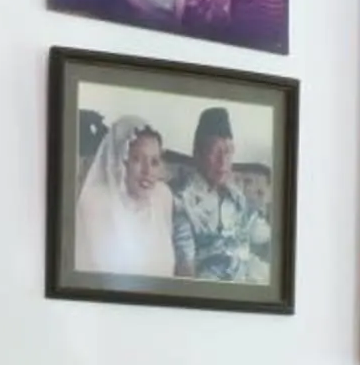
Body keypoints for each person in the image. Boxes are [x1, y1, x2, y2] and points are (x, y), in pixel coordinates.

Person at [172, 106, 271, 283]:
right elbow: (185, 267)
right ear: (198, 154)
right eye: (215, 151)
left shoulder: (237, 195)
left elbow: (259, 233)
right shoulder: (183, 201)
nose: (223, 160)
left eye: (228, 151)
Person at [74, 115, 180, 278]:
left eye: (154, 162)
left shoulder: (162, 197)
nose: (148, 171)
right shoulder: (94, 203)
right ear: (119, 161)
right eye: (137, 159)